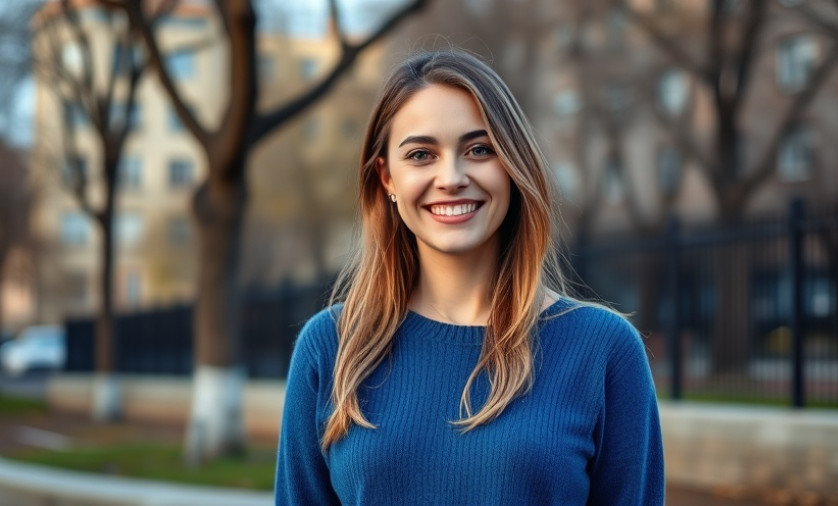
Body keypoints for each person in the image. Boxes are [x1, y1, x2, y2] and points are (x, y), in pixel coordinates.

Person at [275, 50, 664, 505]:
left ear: (512, 165)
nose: (451, 177)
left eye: (480, 149)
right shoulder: (331, 348)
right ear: (387, 179)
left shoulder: (604, 350)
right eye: (421, 155)